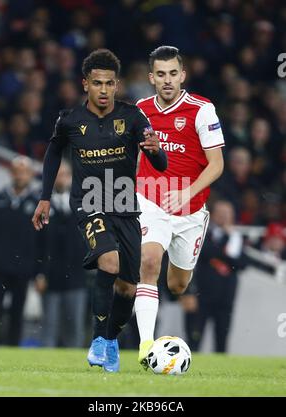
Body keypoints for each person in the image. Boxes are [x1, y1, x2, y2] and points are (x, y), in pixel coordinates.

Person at [32, 49, 167, 372]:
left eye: (109, 83)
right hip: (89, 202)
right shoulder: (70, 120)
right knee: (109, 261)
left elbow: (159, 164)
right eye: (97, 83)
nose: (103, 90)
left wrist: (156, 151)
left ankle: (110, 340)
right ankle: (97, 340)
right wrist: (45, 197)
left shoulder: (134, 117)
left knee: (128, 287)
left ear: (117, 84)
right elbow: (52, 155)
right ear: (85, 84)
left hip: (124, 205)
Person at [135, 46, 225, 367]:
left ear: (182, 75)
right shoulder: (141, 110)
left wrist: (188, 192)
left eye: (173, 73)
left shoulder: (203, 110)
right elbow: (134, 156)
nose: (168, 80)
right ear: (151, 78)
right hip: (151, 200)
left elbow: (216, 165)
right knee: (148, 262)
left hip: (191, 210)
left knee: (177, 285)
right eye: (161, 74)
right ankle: (146, 347)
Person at [0, 156, 40, 345]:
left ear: (31, 175)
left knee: (18, 311)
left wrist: (39, 271)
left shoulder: (37, 204)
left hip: (23, 268)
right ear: (10, 173)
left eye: (24, 172)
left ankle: (13, 346)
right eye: (16, 171)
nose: (20, 175)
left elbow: (42, 241)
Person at [35, 161, 89, 348]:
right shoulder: (41, 204)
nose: (61, 178)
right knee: (49, 324)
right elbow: (38, 243)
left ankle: (74, 365)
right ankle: (46, 366)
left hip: (76, 274)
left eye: (65, 174)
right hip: (51, 275)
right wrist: (40, 273)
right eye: (57, 174)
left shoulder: (82, 203)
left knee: (75, 325)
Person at [181, 200, 246, 353]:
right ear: (212, 215)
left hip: (225, 297)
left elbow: (242, 263)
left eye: (227, 214)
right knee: (194, 337)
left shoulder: (236, 238)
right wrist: (227, 250)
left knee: (222, 339)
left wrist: (230, 239)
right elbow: (204, 252)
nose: (223, 217)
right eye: (220, 213)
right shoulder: (202, 233)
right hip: (201, 295)